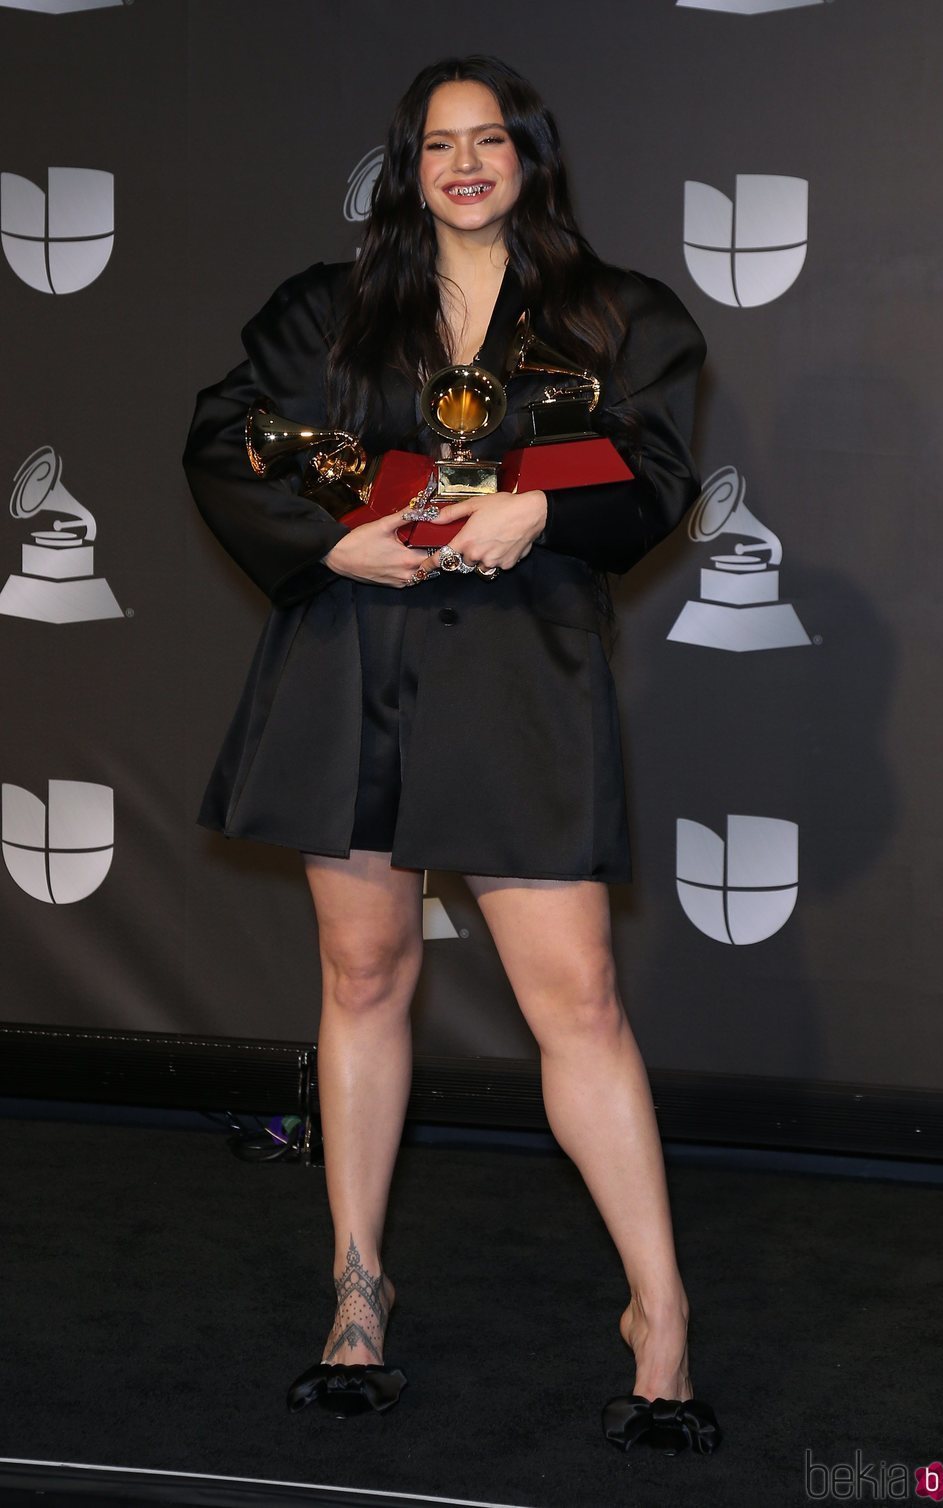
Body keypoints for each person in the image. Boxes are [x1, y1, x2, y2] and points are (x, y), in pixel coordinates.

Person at [183, 55, 721, 1455]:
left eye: (490, 140)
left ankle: (658, 1314)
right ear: (406, 166)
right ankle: (358, 1296)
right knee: (362, 975)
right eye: (439, 144)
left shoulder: (621, 315)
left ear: (530, 158)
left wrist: (540, 515)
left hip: (518, 676)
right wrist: (326, 541)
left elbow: (653, 474)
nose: (465, 163)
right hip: (351, 661)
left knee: (580, 1001)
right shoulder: (333, 307)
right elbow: (224, 438)